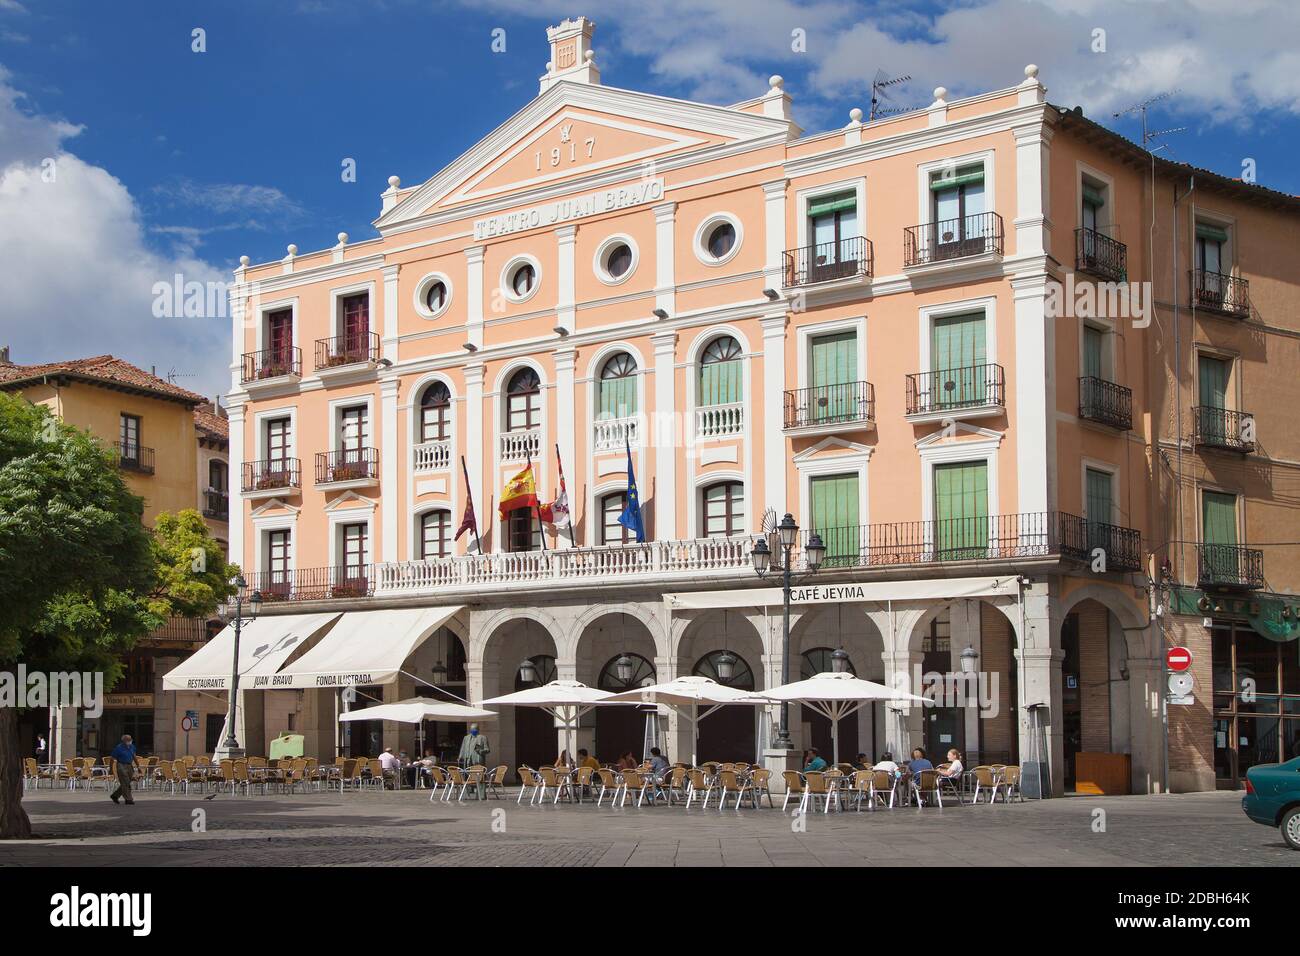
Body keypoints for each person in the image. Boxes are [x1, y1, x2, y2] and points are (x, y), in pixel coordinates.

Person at [109, 734, 136, 805]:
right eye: (128, 740)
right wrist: (111, 769)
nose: (129, 741)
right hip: (121, 765)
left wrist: (138, 766)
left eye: (130, 739)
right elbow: (112, 759)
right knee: (126, 781)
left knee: (126, 783)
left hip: (129, 765)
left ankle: (115, 795)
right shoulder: (118, 748)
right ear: (123, 741)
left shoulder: (132, 747)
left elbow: (134, 756)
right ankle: (128, 799)